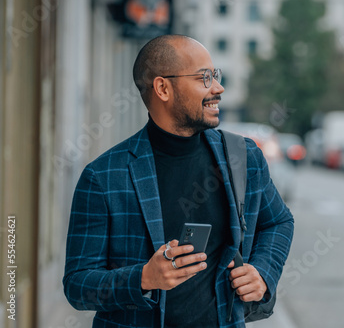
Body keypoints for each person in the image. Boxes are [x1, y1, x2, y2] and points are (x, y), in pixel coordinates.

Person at [63, 34, 294, 328]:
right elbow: (77, 284)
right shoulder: (103, 176)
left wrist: (263, 271)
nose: (218, 88)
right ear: (163, 88)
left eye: (216, 76)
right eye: (204, 78)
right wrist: (144, 278)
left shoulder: (242, 156)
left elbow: (278, 222)